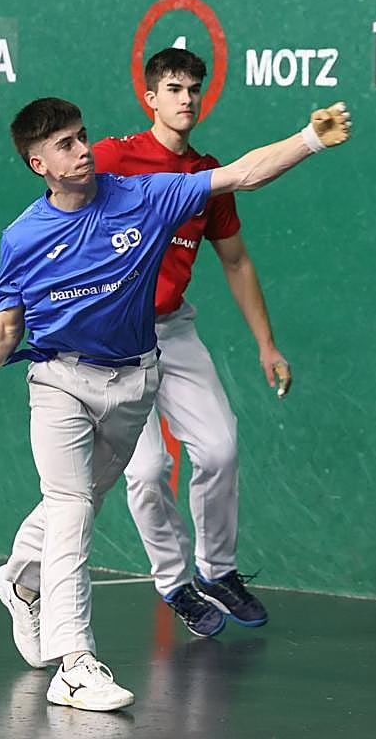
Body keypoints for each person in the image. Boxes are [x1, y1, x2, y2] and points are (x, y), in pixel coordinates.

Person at [0, 96, 351, 712]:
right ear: (38, 164)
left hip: (135, 382)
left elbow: (241, 174)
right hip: (60, 380)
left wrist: (308, 139)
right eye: (66, 145)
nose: (83, 151)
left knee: (83, 497)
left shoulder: (145, 196)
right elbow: (8, 330)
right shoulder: (23, 237)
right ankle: (75, 663)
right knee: (72, 505)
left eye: (83, 136)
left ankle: (21, 580)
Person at [91, 48, 288, 639]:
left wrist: (267, 344)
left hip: (173, 331)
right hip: (112, 341)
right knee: (147, 470)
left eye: (194, 89)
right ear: (150, 97)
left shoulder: (208, 174)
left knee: (220, 448)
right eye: (174, 89)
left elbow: (236, 261)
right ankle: (174, 582)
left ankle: (217, 571)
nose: (187, 99)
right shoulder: (112, 159)